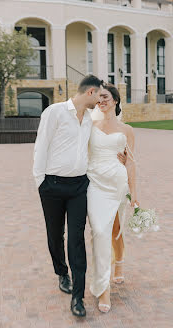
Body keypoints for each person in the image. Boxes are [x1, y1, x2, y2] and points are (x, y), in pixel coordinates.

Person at [33, 75, 125, 317]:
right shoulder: (54, 112)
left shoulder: (89, 119)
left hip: (79, 188)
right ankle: (62, 272)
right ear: (91, 92)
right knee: (55, 235)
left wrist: (120, 157)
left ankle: (78, 299)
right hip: (51, 185)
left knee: (76, 239)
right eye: (100, 95)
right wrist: (40, 182)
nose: (101, 100)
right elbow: (41, 145)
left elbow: (105, 139)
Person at [87, 83, 139, 313]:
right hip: (96, 183)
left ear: (115, 100)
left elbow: (130, 162)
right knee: (99, 231)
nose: (101, 101)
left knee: (116, 226)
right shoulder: (90, 125)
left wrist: (134, 194)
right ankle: (103, 288)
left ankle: (119, 264)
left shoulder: (126, 129)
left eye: (105, 97)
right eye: (98, 98)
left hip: (117, 184)